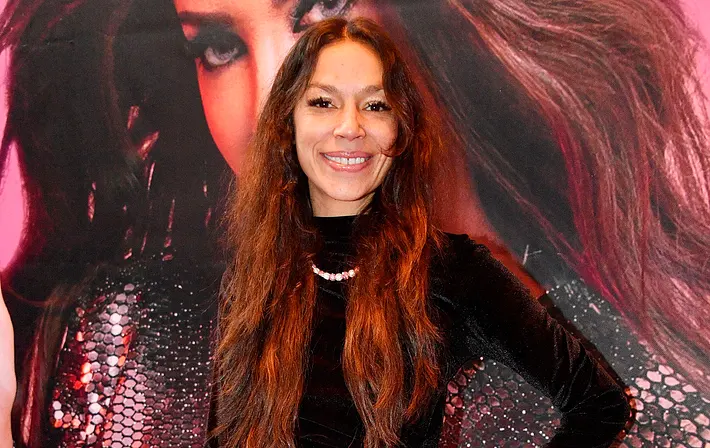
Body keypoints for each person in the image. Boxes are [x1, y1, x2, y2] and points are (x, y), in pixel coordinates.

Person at [0, 0, 708, 446]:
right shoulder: (131, 342)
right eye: (216, 47)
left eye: (322, 10)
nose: (271, 110)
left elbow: (601, 406)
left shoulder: (647, 398)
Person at [213, 17, 630, 447]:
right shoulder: (254, 273)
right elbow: (224, 434)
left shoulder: (452, 270)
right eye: (323, 102)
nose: (350, 127)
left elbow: (600, 405)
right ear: (288, 123)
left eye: (376, 105)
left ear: (401, 128)